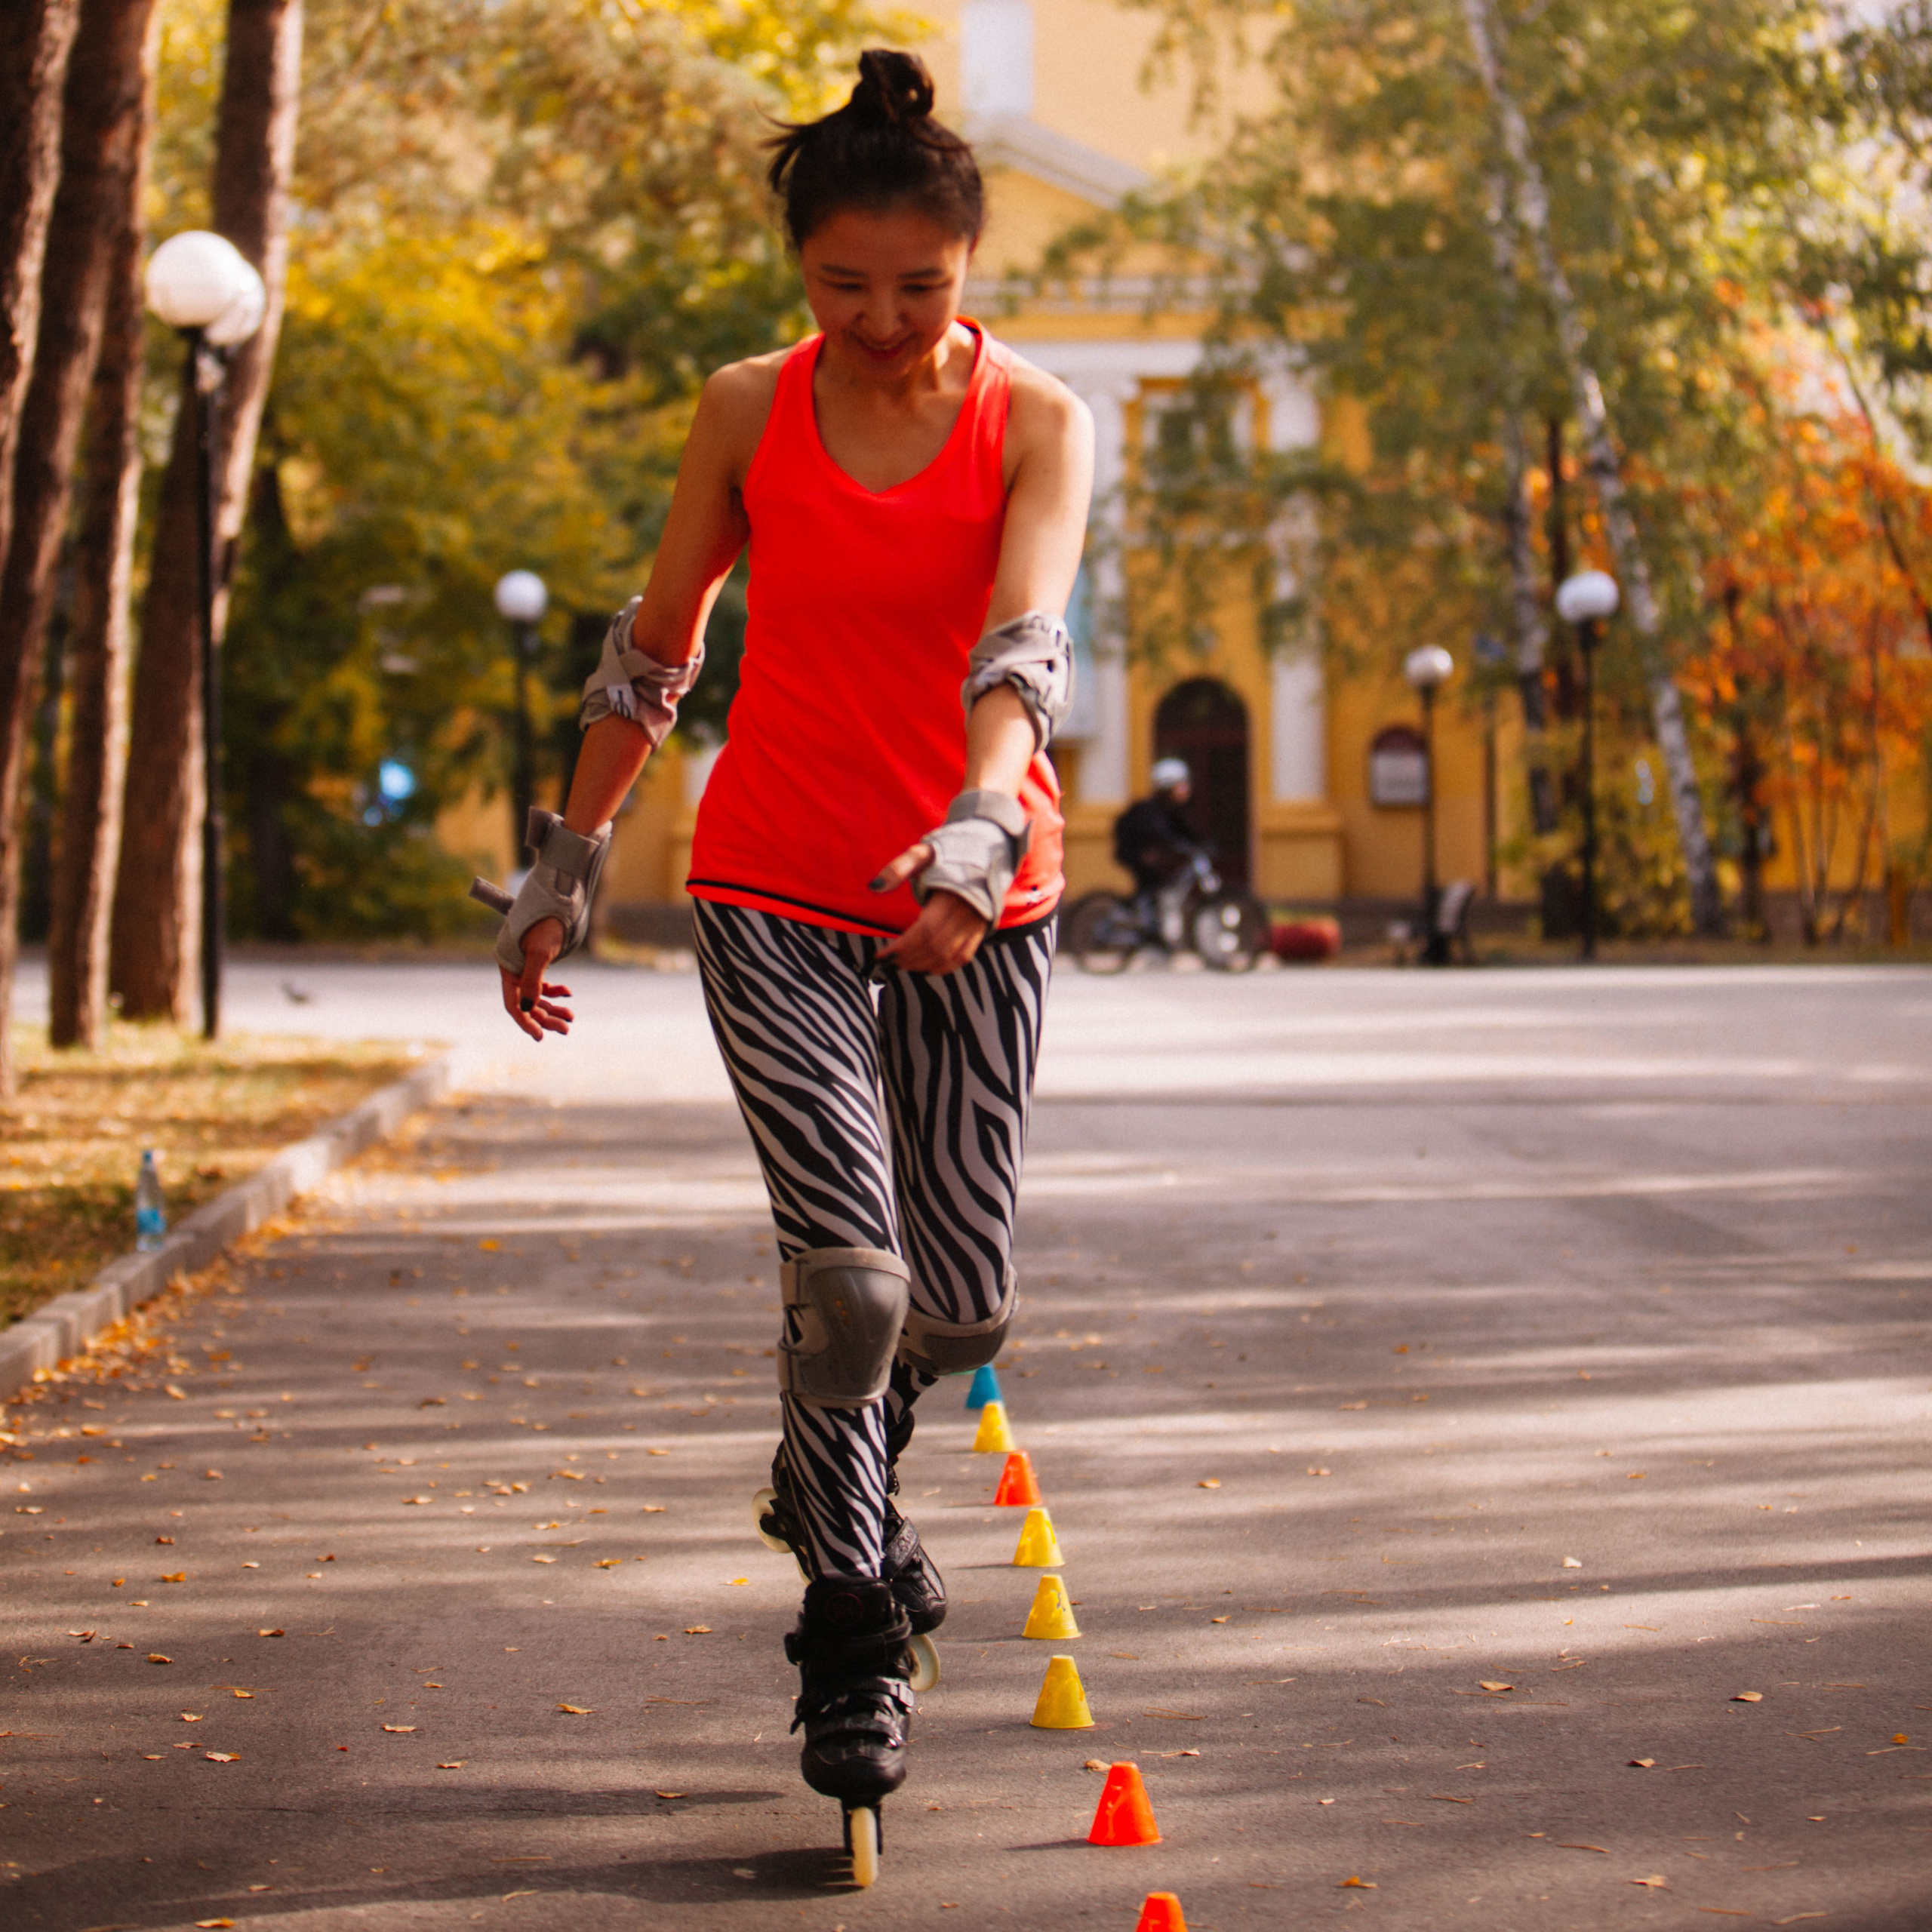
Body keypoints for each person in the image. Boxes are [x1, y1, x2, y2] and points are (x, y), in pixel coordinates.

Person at [481, 49, 1094, 1843]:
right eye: (847, 287)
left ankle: (828, 1452)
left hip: (981, 895)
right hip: (770, 887)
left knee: (956, 1298)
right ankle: (847, 1627)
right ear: (797, 272)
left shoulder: (1039, 418)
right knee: (849, 1285)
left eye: (922, 288)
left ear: (969, 269)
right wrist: (566, 853)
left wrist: (983, 819)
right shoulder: (750, 406)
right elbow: (654, 644)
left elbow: (1026, 647)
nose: (888, 320)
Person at [1112, 757, 1201, 929]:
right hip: (1135, 854)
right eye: (1182, 785)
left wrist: (1203, 844)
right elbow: (1159, 834)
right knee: (1152, 885)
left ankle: (1152, 925)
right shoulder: (1150, 810)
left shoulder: (1172, 809)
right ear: (1169, 787)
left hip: (1150, 855)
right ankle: (1137, 920)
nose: (1186, 789)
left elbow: (1186, 831)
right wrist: (1172, 846)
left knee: (1159, 886)